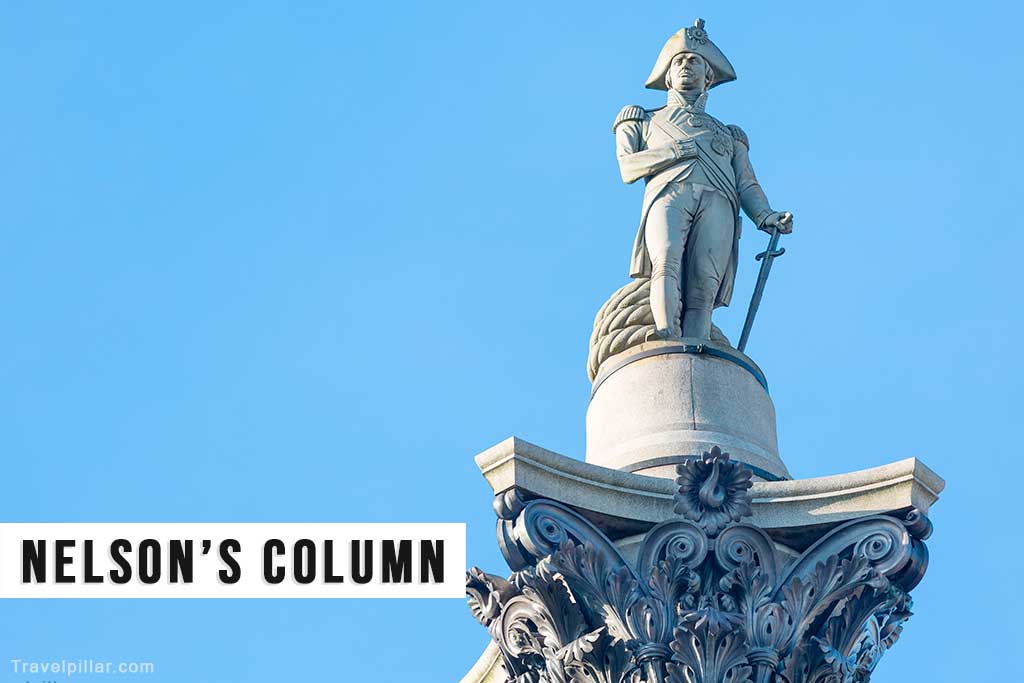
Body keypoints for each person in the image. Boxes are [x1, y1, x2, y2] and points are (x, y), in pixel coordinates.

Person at [615, 19, 793, 341]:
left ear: (708, 76)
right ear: (668, 75)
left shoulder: (730, 134)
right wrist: (677, 152)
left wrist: (766, 216)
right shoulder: (642, 119)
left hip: (720, 201)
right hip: (669, 192)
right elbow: (628, 168)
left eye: (694, 60)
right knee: (666, 260)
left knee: (704, 283)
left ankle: (698, 346)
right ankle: (666, 334)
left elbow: (746, 184)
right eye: (679, 61)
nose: (686, 65)